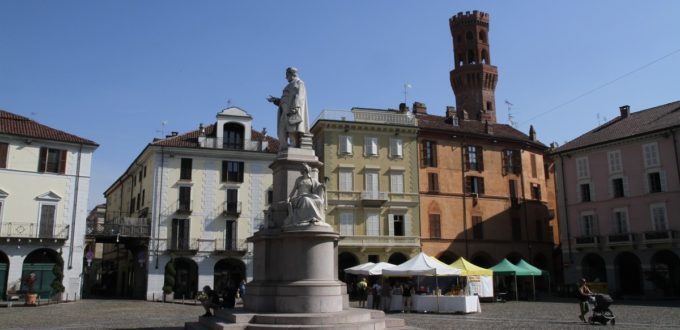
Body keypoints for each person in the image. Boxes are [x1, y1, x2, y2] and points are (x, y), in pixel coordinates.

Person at [267, 67, 309, 149]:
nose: (286, 77)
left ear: (292, 74)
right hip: (284, 112)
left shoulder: (299, 83)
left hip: (292, 110)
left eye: (287, 75)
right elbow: (284, 100)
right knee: (281, 131)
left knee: (292, 129)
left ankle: (293, 145)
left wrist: (295, 107)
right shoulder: (288, 86)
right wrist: (275, 100)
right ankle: (284, 147)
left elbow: (300, 96)